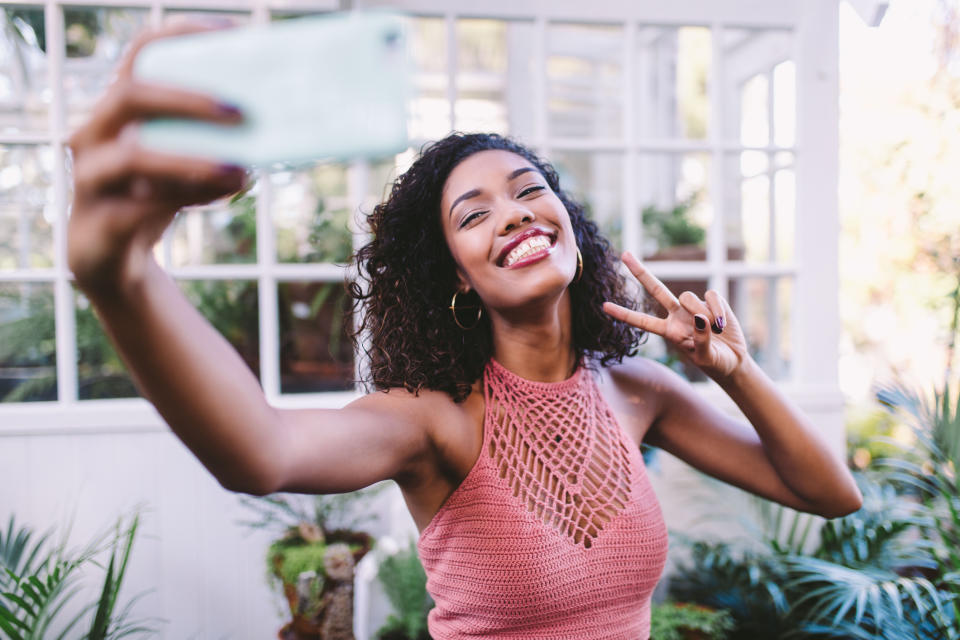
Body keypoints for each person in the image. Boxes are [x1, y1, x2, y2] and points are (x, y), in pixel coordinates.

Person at [66, 19, 863, 640]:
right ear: (455, 273)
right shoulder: (434, 422)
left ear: (566, 222)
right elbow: (261, 453)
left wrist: (733, 372)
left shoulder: (638, 392)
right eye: (473, 215)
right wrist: (123, 277)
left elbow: (830, 494)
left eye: (528, 191)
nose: (512, 213)